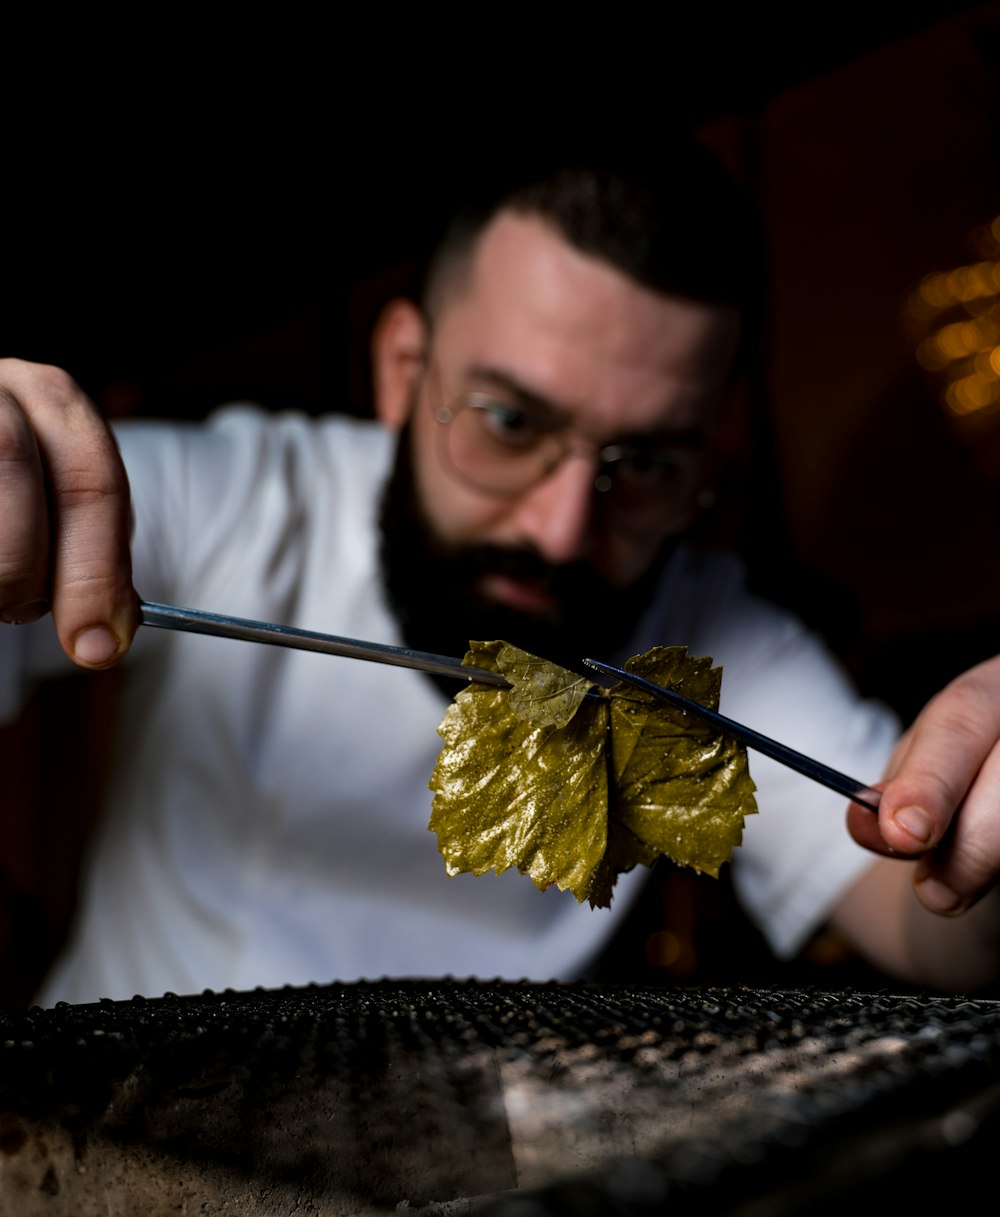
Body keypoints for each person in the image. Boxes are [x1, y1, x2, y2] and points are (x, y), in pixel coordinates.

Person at [2, 139, 999, 1005]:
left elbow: (925, 916)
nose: (563, 532)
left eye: (644, 463)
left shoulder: (719, 653)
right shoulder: (237, 497)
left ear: (713, 451)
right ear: (402, 372)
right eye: (512, 423)